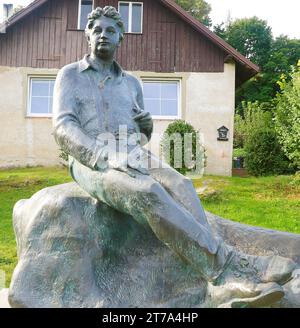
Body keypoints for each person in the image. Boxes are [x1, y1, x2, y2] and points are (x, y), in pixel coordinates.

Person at [53, 6, 296, 307]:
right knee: (148, 192)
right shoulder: (70, 76)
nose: (103, 35)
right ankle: (227, 269)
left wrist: (146, 126)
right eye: (98, 30)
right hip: (92, 159)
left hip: (132, 152)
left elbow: (142, 136)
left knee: (182, 184)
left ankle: (213, 267)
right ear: (87, 35)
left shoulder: (131, 83)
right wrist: (104, 155)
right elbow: (63, 127)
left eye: (111, 31)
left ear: (120, 39)